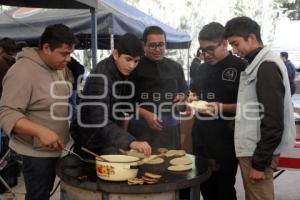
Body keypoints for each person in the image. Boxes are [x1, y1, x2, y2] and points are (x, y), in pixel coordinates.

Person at [0, 24, 77, 200]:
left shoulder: (57, 67)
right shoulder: (22, 71)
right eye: (64, 54)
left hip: (56, 147)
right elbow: (6, 113)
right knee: (38, 196)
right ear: (47, 48)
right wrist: (40, 131)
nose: (68, 59)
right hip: (35, 153)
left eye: (70, 54)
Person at [224, 16, 296, 200]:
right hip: (254, 149)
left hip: (257, 152)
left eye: (236, 43)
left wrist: (259, 163)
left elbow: (273, 120)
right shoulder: (259, 64)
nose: (235, 50)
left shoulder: (266, 66)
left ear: (251, 37)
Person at [189, 22, 247, 200]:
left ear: (224, 43)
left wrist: (220, 107)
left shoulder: (241, 67)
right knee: (205, 188)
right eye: (202, 50)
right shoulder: (201, 67)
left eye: (210, 49)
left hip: (226, 141)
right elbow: (195, 93)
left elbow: (249, 106)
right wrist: (191, 98)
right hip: (200, 138)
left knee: (224, 189)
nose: (205, 55)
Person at [71, 33, 151, 157]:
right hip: (89, 140)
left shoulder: (121, 72)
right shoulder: (101, 77)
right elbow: (99, 119)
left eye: (136, 61)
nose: (132, 66)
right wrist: (131, 141)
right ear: (115, 54)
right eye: (128, 59)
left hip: (106, 137)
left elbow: (121, 104)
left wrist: (145, 113)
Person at [128, 26, 188, 149]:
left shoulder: (176, 67)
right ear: (144, 45)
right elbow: (124, 102)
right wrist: (145, 114)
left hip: (171, 130)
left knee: (173, 165)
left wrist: (182, 101)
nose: (157, 49)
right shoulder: (134, 68)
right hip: (142, 130)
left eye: (161, 45)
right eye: (152, 45)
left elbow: (184, 93)